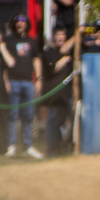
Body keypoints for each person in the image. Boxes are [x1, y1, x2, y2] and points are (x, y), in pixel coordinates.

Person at [0, 13, 42, 157]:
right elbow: (5, 65)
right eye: (17, 22)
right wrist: (6, 81)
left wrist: (38, 79)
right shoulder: (8, 40)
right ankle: (11, 146)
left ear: (27, 24)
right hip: (13, 82)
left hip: (28, 82)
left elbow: (36, 60)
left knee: (28, 115)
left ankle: (28, 146)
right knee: (12, 115)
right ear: (14, 24)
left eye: (23, 22)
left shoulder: (32, 41)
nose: (20, 24)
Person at [42, 24, 75, 154]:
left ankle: (62, 147)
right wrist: (66, 59)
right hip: (53, 95)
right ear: (54, 37)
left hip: (66, 94)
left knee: (65, 122)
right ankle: (51, 149)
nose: (61, 37)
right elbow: (54, 68)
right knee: (52, 122)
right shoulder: (49, 51)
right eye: (58, 35)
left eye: (63, 35)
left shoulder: (69, 51)